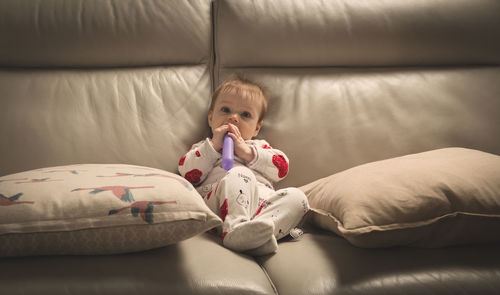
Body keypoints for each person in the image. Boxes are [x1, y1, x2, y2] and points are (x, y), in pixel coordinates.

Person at [178, 75, 309, 256]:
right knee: (240, 173)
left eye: (245, 115)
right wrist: (215, 145)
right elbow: (188, 173)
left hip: (262, 207)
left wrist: (247, 152)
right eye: (225, 110)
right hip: (219, 207)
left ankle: (257, 237)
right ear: (211, 118)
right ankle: (234, 229)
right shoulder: (205, 146)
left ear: (256, 128)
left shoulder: (259, 147)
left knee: (299, 198)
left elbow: (281, 169)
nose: (233, 118)